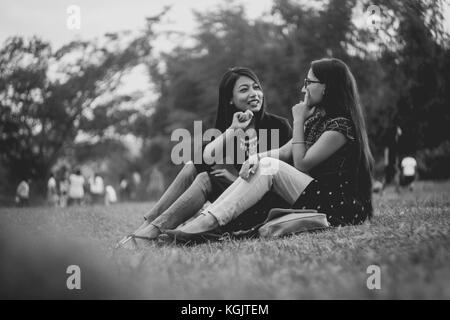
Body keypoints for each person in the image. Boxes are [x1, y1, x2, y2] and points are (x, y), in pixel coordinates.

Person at [161, 58, 374, 243]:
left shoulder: (340, 127)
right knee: (262, 164)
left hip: (338, 207)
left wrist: (299, 120)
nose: (303, 89)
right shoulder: (319, 120)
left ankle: (206, 223)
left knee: (268, 167)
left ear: (328, 87)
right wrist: (255, 157)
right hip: (314, 195)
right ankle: (201, 221)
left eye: (309, 82)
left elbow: (301, 163)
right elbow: (283, 152)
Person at [117, 67, 292, 248]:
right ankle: (147, 225)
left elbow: (278, 179)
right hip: (237, 198)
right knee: (193, 167)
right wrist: (233, 130)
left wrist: (234, 180)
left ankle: (151, 232)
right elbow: (201, 161)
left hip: (264, 208)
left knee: (204, 179)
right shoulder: (231, 129)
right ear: (230, 100)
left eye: (256, 87)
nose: (254, 94)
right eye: (244, 89)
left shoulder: (278, 126)